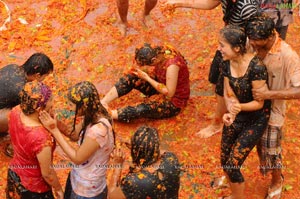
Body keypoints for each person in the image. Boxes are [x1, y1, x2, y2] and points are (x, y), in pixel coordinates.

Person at [165, 0, 260, 138]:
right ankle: (221, 111)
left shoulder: (247, 7)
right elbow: (209, 3)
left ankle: (217, 124)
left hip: (237, 51)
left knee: (223, 87)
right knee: (214, 77)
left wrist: (240, 59)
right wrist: (178, 3)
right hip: (226, 45)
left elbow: (255, 35)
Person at [246, 14, 300, 199]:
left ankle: (277, 180)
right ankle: (266, 165)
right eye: (250, 39)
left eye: (256, 41)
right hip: (251, 107)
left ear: (270, 36)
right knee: (258, 144)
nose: (251, 44)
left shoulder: (288, 55)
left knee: (272, 150)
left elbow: (299, 91)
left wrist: (269, 95)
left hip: (273, 112)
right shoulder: (252, 41)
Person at [218, 25, 270, 198]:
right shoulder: (225, 61)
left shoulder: (256, 68)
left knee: (233, 165)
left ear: (237, 48)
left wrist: (239, 108)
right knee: (224, 160)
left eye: (222, 45)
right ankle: (233, 189)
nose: (219, 49)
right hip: (237, 115)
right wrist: (230, 112)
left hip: (255, 119)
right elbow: (228, 91)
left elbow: (259, 103)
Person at [39, 81, 115, 199]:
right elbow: (74, 135)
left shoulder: (98, 130)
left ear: (84, 106)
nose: (71, 108)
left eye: (73, 105)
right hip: (78, 176)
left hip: (88, 188)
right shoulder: (94, 110)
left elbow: (77, 158)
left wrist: (54, 130)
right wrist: (56, 122)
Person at [101, 43, 190, 123]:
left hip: (174, 102)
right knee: (132, 77)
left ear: (154, 59)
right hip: (159, 85)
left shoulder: (172, 66)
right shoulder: (161, 52)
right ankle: (103, 102)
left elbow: (169, 93)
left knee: (143, 109)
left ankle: (108, 114)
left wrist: (147, 78)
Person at [6, 81, 63, 199]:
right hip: (34, 188)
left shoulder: (15, 111)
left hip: (14, 173)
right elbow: (47, 173)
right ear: (39, 108)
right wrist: (58, 188)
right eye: (50, 104)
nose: (52, 105)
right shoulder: (41, 137)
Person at [0, 52, 54, 157]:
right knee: (23, 118)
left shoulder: (13, 67)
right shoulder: (22, 89)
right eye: (44, 76)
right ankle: (12, 148)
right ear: (37, 75)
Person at [108, 125, 181, 199]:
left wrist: (118, 165)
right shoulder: (171, 158)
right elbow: (158, 152)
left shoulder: (135, 182)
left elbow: (111, 195)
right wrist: (140, 146)